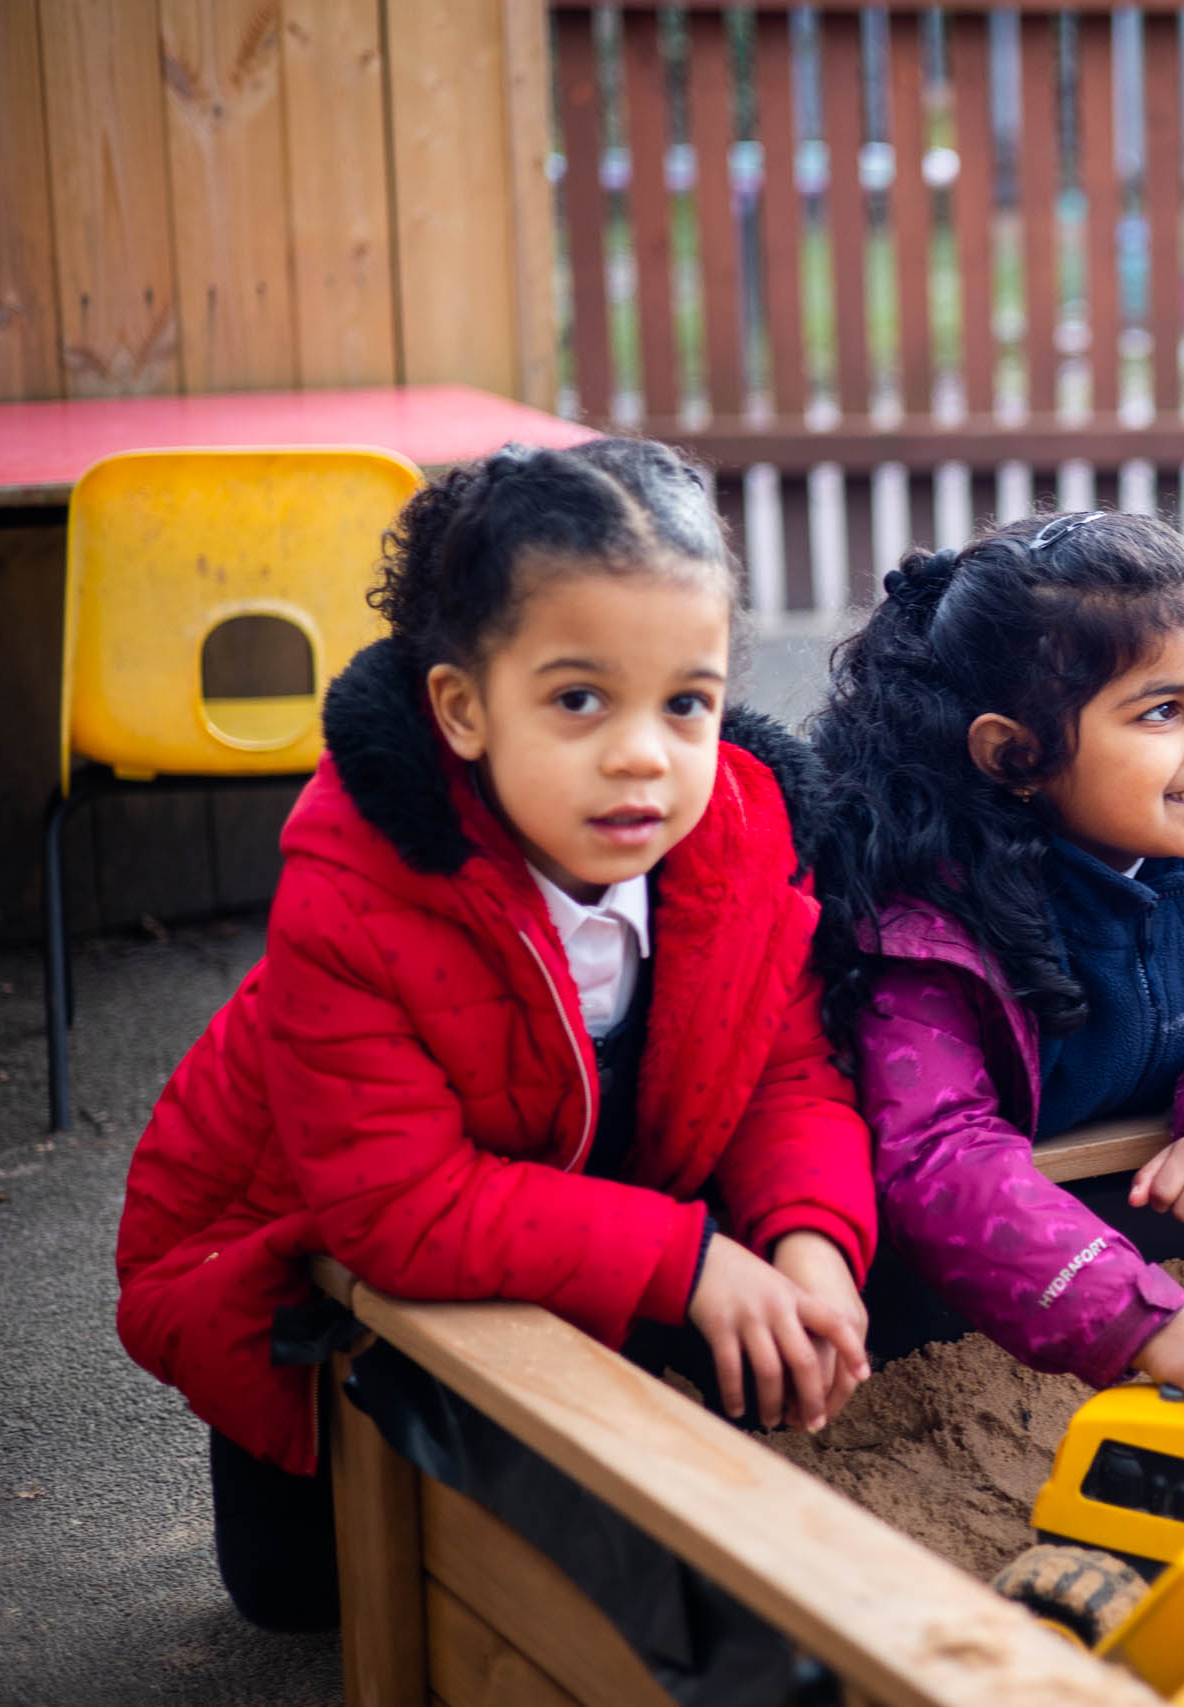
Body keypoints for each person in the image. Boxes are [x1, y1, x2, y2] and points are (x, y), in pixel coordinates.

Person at [114, 439, 876, 1631]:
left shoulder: (736, 832)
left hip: (570, 1184)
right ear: (462, 710)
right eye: (579, 699)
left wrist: (813, 1238)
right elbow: (397, 1207)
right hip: (297, 1253)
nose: (643, 753)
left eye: (687, 702)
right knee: (303, 1595)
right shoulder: (356, 881)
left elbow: (785, 1072)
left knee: (602, 1527)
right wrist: (690, 1260)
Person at [804, 512, 1184, 1436]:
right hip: (976, 1283)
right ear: (1013, 753)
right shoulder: (925, 917)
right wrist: (1152, 1323)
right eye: (1162, 711)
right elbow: (941, 1155)